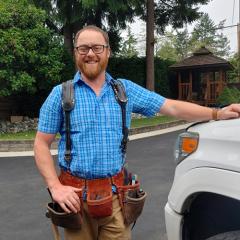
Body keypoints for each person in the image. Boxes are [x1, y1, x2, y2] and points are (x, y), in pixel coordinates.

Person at [34, 25, 240, 240]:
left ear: (108, 51)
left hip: (115, 200)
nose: (91, 54)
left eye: (97, 47)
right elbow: (40, 143)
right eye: (83, 48)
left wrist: (216, 114)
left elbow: (171, 107)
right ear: (76, 52)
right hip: (75, 202)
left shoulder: (124, 90)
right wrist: (55, 187)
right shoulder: (61, 94)